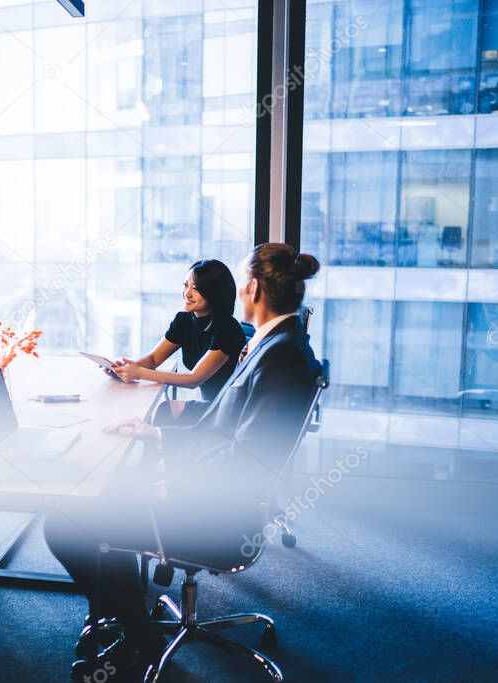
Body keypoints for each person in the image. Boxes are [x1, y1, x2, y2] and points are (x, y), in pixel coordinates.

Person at [44, 244, 322, 676]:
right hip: (216, 492)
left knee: (66, 522)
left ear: (252, 289)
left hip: (220, 514)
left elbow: (244, 460)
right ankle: (124, 617)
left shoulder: (281, 358)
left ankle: (138, 640)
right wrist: (155, 433)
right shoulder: (280, 344)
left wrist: (167, 482)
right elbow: (225, 429)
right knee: (99, 495)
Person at [108, 259, 246, 426]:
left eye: (195, 289)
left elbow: (194, 379)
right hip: (209, 405)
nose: (187, 293)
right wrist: (122, 369)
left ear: (214, 293)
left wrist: (138, 373)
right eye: (185, 285)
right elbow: (153, 360)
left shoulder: (227, 329)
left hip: (227, 411)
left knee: (163, 412)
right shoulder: (184, 321)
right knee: (160, 411)